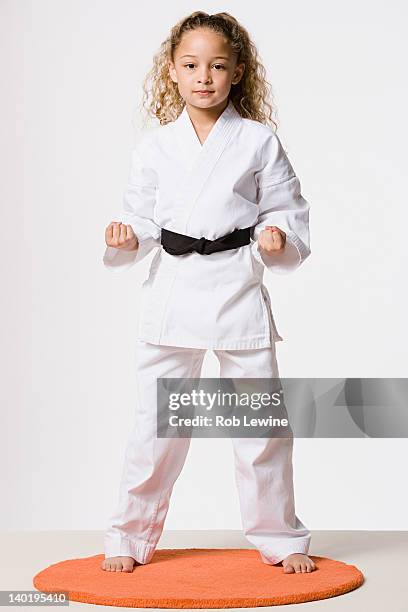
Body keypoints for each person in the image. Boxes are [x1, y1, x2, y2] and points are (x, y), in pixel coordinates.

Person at [101, 11, 316, 575]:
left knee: (260, 422)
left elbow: (286, 210)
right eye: (192, 65)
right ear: (171, 71)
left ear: (237, 71)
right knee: (156, 421)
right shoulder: (155, 147)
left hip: (237, 287)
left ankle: (279, 535)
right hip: (173, 290)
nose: (204, 77)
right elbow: (142, 216)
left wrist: (276, 238)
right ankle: (129, 533)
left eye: (218, 66)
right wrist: (127, 235)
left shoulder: (257, 141)